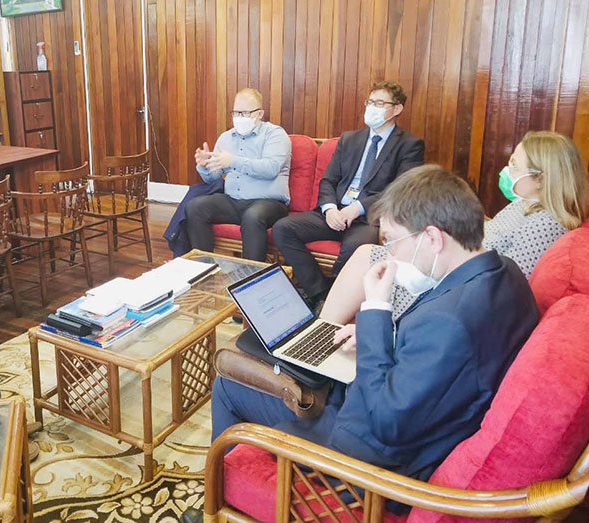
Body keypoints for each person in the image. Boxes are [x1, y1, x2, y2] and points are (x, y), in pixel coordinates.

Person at [212, 165, 539, 483]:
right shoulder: (504, 273)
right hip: (407, 419)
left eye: (394, 241)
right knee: (304, 369)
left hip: (364, 460)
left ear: (433, 238)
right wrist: (378, 336)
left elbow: (386, 421)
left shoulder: (447, 320)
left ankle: (219, 493)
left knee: (228, 386)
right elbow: (445, 361)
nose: (389, 254)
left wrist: (377, 311)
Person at [320, 130, 589, 325]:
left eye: (515, 165)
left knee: (368, 255)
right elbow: (495, 234)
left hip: (453, 282)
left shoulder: (546, 225)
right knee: (370, 253)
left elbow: (505, 280)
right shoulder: (526, 203)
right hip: (456, 263)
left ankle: (322, 330)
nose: (507, 170)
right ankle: (324, 327)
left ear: (541, 179)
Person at [272, 81, 424, 306]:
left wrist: (357, 207)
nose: (372, 107)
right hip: (335, 212)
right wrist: (330, 208)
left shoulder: (409, 145)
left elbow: (400, 190)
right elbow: (328, 179)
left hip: (368, 219)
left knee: (358, 248)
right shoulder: (350, 139)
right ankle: (319, 292)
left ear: (397, 109)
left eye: (380, 103)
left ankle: (334, 301)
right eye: (370, 102)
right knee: (283, 229)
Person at [185, 87, 291, 261]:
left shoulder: (275, 135)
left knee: (252, 216)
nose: (239, 118)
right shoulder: (226, 138)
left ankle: (251, 278)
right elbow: (213, 177)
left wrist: (233, 161)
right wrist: (204, 166)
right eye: (235, 113)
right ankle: (205, 268)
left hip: (269, 202)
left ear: (259, 114)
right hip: (234, 201)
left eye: (244, 113)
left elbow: (270, 168)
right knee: (195, 207)